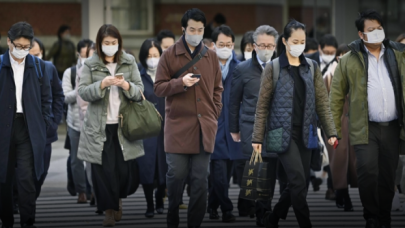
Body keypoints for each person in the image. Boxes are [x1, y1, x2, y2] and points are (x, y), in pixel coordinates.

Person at [252, 20, 337, 228]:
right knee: (298, 181)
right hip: (279, 133)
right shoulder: (273, 68)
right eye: (295, 41)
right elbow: (262, 106)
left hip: (306, 132)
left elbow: (322, 104)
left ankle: (273, 218)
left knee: (300, 182)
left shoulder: (312, 67)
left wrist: (331, 132)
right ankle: (305, 224)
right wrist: (257, 137)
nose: (299, 44)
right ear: (285, 41)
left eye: (302, 41)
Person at [330, 10, 405, 228]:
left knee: (388, 175)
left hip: (393, 126)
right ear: (361, 35)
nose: (376, 33)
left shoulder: (398, 54)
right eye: (371, 30)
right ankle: (371, 217)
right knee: (367, 172)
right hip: (365, 127)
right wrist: (333, 130)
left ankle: (384, 217)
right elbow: (335, 97)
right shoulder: (349, 60)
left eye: (379, 28)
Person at [154, 8, 223, 228]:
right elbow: (158, 88)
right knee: (175, 176)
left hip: (205, 127)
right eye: (192, 29)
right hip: (177, 127)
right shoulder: (169, 54)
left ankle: (194, 224)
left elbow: (217, 89)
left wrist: (214, 113)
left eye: (200, 29)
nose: (196, 33)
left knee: (200, 181)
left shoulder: (211, 55)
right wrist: (180, 83)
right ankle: (172, 213)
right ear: (184, 29)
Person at [77, 24, 144, 227]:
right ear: (99, 43)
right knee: (104, 171)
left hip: (124, 124)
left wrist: (126, 86)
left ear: (119, 43)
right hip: (99, 125)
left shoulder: (128, 61)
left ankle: (118, 200)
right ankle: (109, 211)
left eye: (114, 43)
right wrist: (102, 84)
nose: (110, 46)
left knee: (123, 171)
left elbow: (139, 91)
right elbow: (83, 91)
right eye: (106, 43)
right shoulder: (90, 64)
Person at [0, 21, 52, 228]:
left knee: (27, 179)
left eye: (26, 47)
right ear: (8, 42)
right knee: (3, 178)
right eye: (18, 46)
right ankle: (6, 220)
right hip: (3, 129)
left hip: (28, 129)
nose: (22, 51)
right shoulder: (1, 65)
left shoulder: (38, 66)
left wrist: (45, 122)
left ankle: (27, 221)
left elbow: (46, 97)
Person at [229, 25, 279, 226]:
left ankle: (265, 209)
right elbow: (234, 102)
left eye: (270, 45)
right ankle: (260, 212)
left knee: (271, 170)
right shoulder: (242, 69)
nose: (266, 49)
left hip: (275, 128)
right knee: (256, 170)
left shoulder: (281, 67)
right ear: (254, 46)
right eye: (262, 45)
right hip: (251, 126)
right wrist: (234, 129)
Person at [207, 24, 239, 223]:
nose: (225, 47)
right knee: (218, 169)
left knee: (225, 172)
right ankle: (227, 209)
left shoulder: (240, 66)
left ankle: (212, 205)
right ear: (213, 45)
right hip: (213, 126)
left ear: (233, 45)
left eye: (228, 44)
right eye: (221, 44)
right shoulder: (206, 66)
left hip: (234, 128)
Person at [322, 43, 357, 212]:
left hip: (354, 124)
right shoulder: (329, 75)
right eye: (340, 54)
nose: (343, 58)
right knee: (338, 159)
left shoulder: (358, 73)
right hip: (335, 124)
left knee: (352, 161)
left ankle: (343, 193)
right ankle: (342, 195)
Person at [29, 37, 65, 198]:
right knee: (23, 170)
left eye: (39, 53)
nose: (37, 57)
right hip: (25, 129)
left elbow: (58, 95)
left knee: (42, 170)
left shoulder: (49, 68)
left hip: (46, 130)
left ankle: (31, 197)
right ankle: (20, 201)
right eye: (33, 55)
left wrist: (55, 120)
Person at [136, 38, 167, 218]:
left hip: (165, 127)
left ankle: (160, 198)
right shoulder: (138, 76)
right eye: (149, 56)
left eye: (156, 55)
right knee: (147, 166)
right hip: (145, 128)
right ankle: (149, 203)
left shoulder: (166, 75)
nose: (153, 59)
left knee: (163, 164)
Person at [62, 39, 94, 204]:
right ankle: (81, 190)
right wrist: (80, 90)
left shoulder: (97, 70)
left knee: (92, 159)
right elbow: (65, 97)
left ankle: (93, 190)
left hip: (93, 121)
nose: (88, 58)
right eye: (85, 54)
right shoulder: (71, 72)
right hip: (74, 122)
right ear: (78, 54)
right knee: (76, 159)